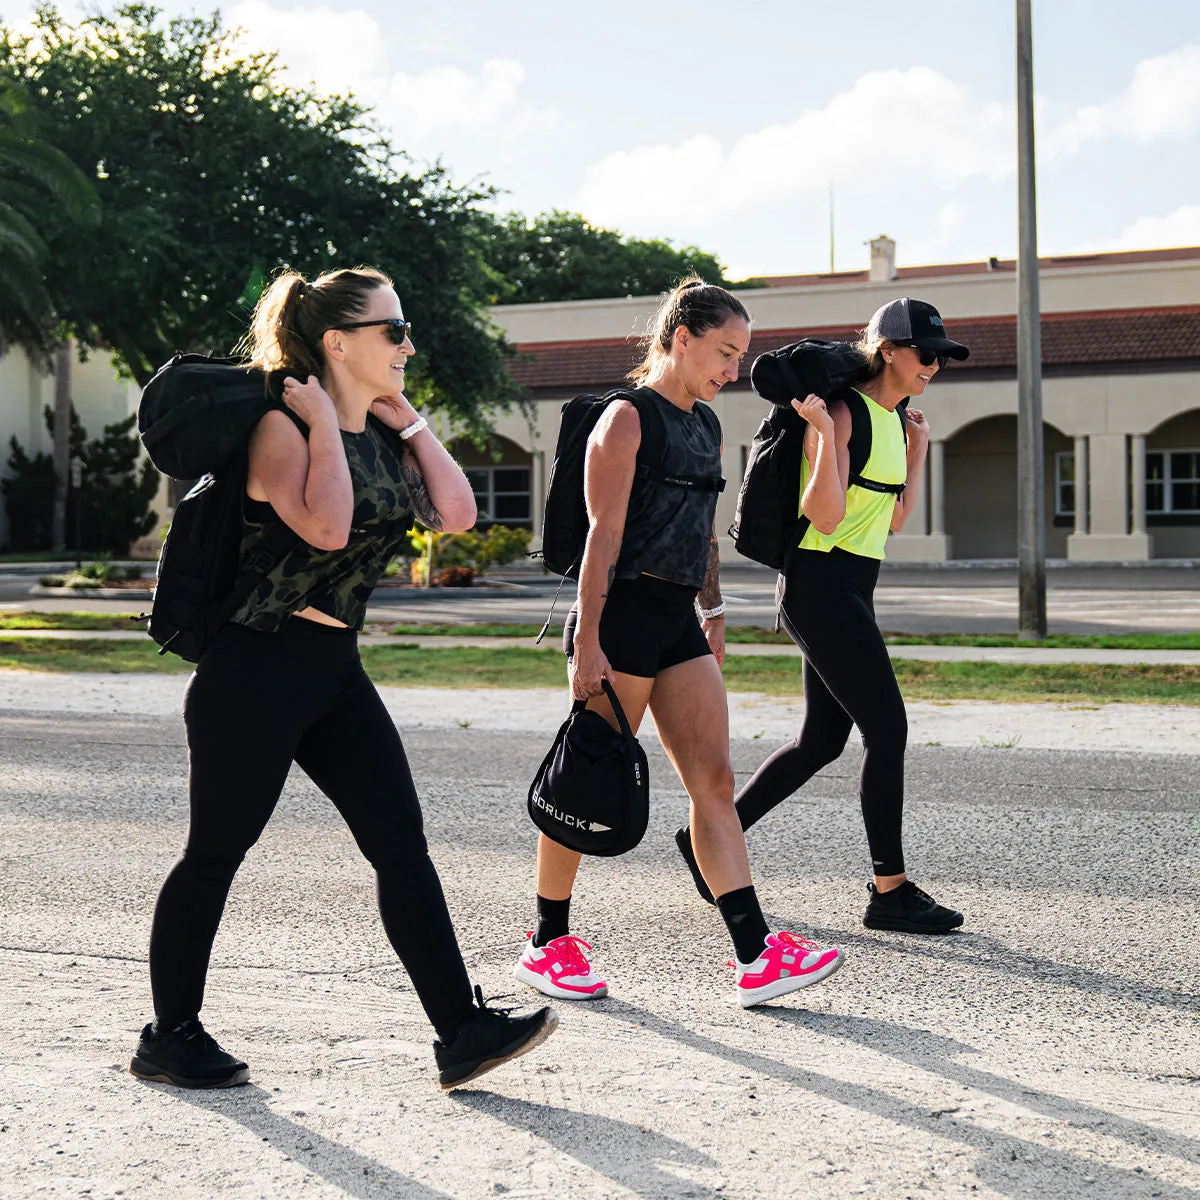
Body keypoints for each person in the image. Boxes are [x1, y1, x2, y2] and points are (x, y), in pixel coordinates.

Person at [130, 267, 557, 1091]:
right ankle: (169, 1034)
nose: (407, 344)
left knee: (403, 847)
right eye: (392, 330)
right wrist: (324, 423)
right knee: (215, 853)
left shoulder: (383, 433)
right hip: (253, 671)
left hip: (333, 672)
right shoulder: (282, 430)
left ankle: (460, 1031)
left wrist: (414, 426)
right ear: (337, 341)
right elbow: (325, 529)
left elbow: (460, 516)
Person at [514, 278, 846, 1008]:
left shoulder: (703, 424)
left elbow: (698, 530)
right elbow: (603, 537)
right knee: (589, 778)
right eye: (725, 352)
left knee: (715, 782)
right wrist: (588, 639)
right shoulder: (626, 421)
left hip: (674, 619)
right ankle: (547, 942)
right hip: (620, 613)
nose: (734, 371)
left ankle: (757, 954)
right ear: (681, 337)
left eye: (741, 356)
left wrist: (715, 610)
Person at [676, 296, 968, 934]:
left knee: (821, 740)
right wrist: (826, 436)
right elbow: (827, 517)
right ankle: (889, 890)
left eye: (942, 358)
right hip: (818, 586)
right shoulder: (840, 411)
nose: (935, 366)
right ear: (888, 349)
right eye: (926, 353)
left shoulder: (895, 422)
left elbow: (892, 519)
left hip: (854, 586)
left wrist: (917, 448)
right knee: (886, 729)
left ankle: (700, 845)